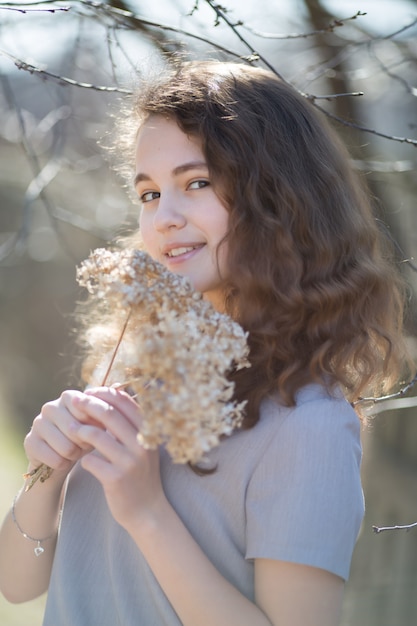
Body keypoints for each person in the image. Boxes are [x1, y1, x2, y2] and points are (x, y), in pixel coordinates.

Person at [0, 60, 410, 626]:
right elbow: (16, 585)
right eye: (148, 193)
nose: (163, 217)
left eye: (197, 183)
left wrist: (146, 511)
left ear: (279, 200)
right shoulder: (133, 370)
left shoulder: (307, 422)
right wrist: (42, 473)